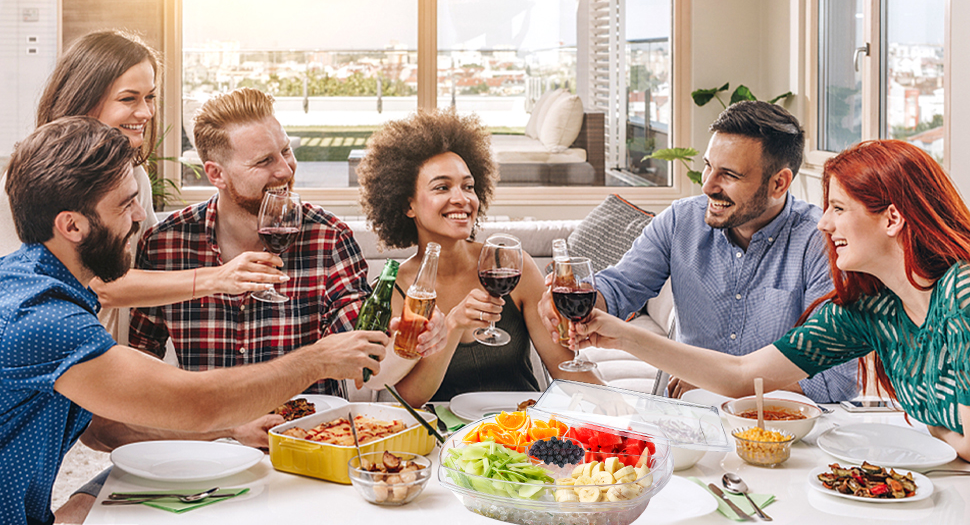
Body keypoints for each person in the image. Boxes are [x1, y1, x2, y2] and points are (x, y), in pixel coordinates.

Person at [0, 117, 390, 525]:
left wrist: (232, 430)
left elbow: (102, 427)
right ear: (72, 226)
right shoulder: (41, 317)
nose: (137, 217)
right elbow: (198, 401)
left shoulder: (37, 286)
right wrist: (318, 360)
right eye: (124, 204)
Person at [569, 139, 970, 461]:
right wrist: (619, 335)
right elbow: (745, 375)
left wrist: (946, 433)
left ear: (892, 219)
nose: (825, 222)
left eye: (839, 208)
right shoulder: (869, 311)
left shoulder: (962, 292)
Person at [129, 88, 446, 397]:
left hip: (312, 434)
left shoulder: (329, 238)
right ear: (216, 174)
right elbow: (140, 364)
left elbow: (365, 365)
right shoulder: (164, 244)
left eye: (286, 151)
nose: (285, 169)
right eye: (264, 161)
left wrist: (414, 343)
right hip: (211, 442)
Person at [539, 100, 856, 403]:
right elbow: (620, 288)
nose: (707, 186)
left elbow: (832, 379)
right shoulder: (680, 221)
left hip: (777, 427)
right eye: (708, 167)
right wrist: (577, 298)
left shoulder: (820, 243)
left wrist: (718, 385)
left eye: (729, 175)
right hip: (684, 416)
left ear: (779, 183)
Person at [0, 30, 279, 347]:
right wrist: (218, 277)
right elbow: (98, 284)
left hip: (102, 355)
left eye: (150, 97)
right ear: (83, 100)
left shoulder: (134, 174)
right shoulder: (30, 182)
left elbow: (148, 260)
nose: (146, 112)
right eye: (129, 98)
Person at [356, 109, 603, 407]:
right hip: (443, 442)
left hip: (524, 432)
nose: (462, 199)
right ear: (408, 205)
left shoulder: (511, 266)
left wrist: (629, 411)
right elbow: (410, 398)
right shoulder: (396, 288)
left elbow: (565, 370)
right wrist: (452, 326)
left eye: (468, 186)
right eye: (442, 187)